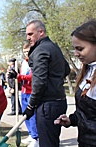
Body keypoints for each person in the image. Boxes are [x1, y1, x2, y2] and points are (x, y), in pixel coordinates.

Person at [22, 20, 70, 147]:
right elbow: (66, 69)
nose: (28, 38)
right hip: (59, 102)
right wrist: (54, 81)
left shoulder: (40, 50)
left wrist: (30, 106)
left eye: (31, 34)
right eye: (27, 34)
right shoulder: (54, 47)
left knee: (47, 144)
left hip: (47, 105)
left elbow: (39, 82)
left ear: (41, 32)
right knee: (52, 142)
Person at [54, 19, 96, 147]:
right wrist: (71, 120)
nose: (76, 54)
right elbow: (88, 114)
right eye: (74, 49)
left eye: (80, 49)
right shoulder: (88, 70)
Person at [19, 42, 39, 147]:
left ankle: (36, 137)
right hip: (24, 91)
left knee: (32, 114)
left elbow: (33, 76)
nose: (26, 54)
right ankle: (31, 134)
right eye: (24, 52)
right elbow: (21, 75)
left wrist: (20, 77)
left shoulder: (35, 61)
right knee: (25, 114)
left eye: (28, 51)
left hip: (32, 91)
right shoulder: (24, 62)